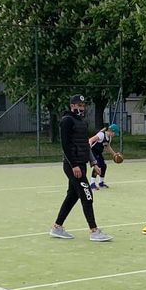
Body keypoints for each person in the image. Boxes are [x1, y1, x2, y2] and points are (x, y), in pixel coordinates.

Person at [49, 95, 113, 242]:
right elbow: (65, 146)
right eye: (79, 105)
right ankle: (94, 231)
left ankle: (57, 227)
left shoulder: (81, 122)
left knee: (72, 196)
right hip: (73, 166)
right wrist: (74, 165)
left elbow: (85, 145)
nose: (81, 108)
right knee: (87, 195)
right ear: (72, 106)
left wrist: (93, 162)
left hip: (82, 164)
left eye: (83, 105)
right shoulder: (66, 121)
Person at [88, 123, 121, 190]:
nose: (115, 135)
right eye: (115, 133)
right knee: (97, 166)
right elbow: (90, 140)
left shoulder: (109, 138)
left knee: (104, 166)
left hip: (98, 153)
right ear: (111, 131)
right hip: (93, 151)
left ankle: (101, 182)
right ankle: (92, 184)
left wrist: (114, 154)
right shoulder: (101, 135)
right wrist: (88, 148)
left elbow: (107, 147)